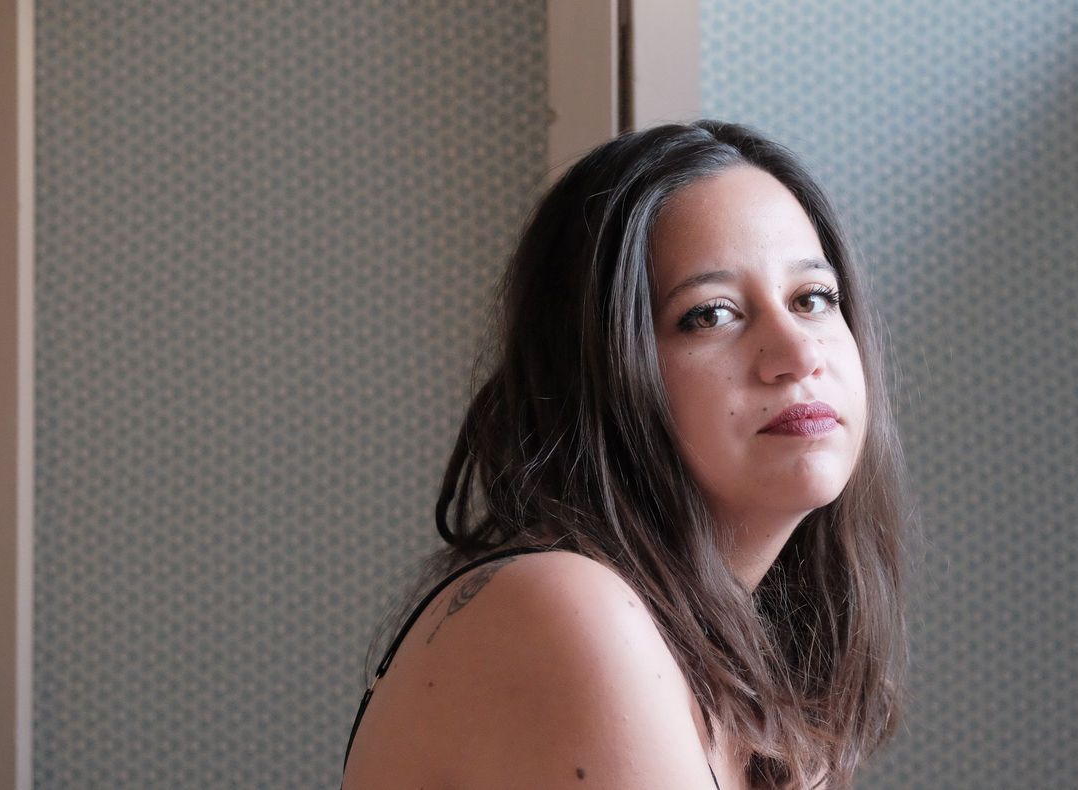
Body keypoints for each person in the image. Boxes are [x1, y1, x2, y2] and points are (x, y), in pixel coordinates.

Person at [341, 120, 910, 790]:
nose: (799, 354)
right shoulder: (571, 608)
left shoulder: (750, 670)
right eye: (710, 314)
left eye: (812, 299)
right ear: (596, 374)